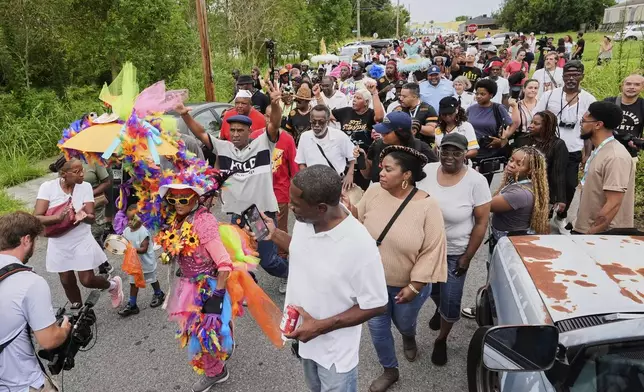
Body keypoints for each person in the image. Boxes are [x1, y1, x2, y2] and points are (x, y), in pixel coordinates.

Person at [267, 165, 389, 392]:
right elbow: (302, 249)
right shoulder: (307, 220)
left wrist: (321, 326)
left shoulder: (360, 247)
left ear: (321, 208)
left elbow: (377, 304)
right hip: (306, 341)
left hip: (335, 355)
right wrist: (274, 234)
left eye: (295, 205)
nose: (290, 207)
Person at [342, 146, 446, 391]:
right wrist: (349, 209)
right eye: (382, 168)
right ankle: (390, 370)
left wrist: (415, 285)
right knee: (378, 331)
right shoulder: (375, 191)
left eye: (389, 169)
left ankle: (408, 335)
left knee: (404, 323)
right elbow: (360, 224)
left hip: (407, 286)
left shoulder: (428, 206)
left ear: (406, 175)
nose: (382, 173)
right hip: (372, 283)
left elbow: (433, 249)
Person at [178, 81, 289, 279]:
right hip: (237, 214)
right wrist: (185, 114)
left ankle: (293, 274)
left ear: (249, 132)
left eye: (240, 130)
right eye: (233, 130)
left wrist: (276, 105)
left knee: (268, 260)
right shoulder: (224, 148)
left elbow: (274, 125)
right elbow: (202, 133)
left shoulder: (263, 144)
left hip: (260, 213)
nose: (236, 134)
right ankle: (248, 285)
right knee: (239, 255)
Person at [416, 133, 491, 366]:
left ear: (465, 154)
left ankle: (442, 339)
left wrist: (467, 257)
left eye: (456, 152)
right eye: (445, 151)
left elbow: (481, 222)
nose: (449, 156)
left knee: (451, 299)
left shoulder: (476, 182)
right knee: (432, 291)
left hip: (455, 252)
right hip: (427, 249)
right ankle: (438, 310)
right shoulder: (427, 170)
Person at [34, 158, 124, 309]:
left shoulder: (86, 187)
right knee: (67, 281)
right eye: (77, 172)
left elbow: (91, 217)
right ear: (63, 174)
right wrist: (59, 218)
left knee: (87, 280)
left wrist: (84, 217)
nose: (82, 174)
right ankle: (80, 314)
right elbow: (37, 217)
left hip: (81, 238)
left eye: (82, 170)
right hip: (58, 241)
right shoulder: (47, 187)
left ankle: (113, 285)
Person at [0, 212, 72, 392]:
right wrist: (64, 329)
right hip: (22, 384)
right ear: (26, 240)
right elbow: (49, 340)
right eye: (35, 240)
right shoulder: (29, 282)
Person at [534, 60, 596, 234]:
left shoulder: (589, 99)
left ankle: (561, 216)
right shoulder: (549, 96)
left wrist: (587, 154)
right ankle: (542, 216)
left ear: (582, 76)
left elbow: (590, 129)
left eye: (575, 75)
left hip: (573, 149)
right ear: (563, 76)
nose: (571, 78)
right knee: (545, 182)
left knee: (569, 185)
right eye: (568, 75)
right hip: (548, 148)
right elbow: (537, 118)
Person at [250, 105, 299, 293]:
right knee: (256, 235)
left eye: (274, 117)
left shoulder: (286, 139)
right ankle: (255, 271)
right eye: (267, 116)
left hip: (279, 196)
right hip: (257, 196)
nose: (271, 120)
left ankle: (287, 273)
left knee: (279, 233)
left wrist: (294, 197)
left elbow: (294, 171)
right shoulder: (254, 137)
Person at [573, 101, 636, 234]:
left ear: (598, 124)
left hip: (603, 235)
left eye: (584, 121)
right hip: (589, 231)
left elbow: (613, 203)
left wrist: (591, 233)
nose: (581, 125)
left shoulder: (615, 157)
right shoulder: (600, 150)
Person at [327, 82, 385, 189]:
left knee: (360, 191)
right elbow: (325, 114)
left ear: (366, 102)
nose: (354, 100)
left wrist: (374, 94)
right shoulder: (346, 111)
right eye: (354, 97)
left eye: (359, 98)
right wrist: (317, 97)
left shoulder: (370, 114)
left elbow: (380, 117)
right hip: (344, 160)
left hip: (363, 159)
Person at [490, 146, 550, 243]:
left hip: (508, 242)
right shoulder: (527, 184)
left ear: (530, 170)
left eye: (519, 164)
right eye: (511, 160)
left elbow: (485, 205)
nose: (511, 165)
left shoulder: (519, 194)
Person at [359, 112, 438, 184]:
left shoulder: (421, 148)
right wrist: (361, 158)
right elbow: (367, 175)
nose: (382, 134)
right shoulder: (377, 145)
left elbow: (436, 173)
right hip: (380, 195)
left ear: (401, 133)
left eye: (386, 132)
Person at [296, 105, 356, 192]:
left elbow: (353, 156)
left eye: (321, 122)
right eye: (313, 122)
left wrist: (350, 175)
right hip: (314, 186)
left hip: (336, 185)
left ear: (327, 122)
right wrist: (309, 181)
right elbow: (301, 163)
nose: (316, 125)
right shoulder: (305, 137)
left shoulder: (340, 136)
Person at [117, 205, 164, 316]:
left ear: (141, 218)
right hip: (134, 264)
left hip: (146, 263)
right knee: (133, 283)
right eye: (128, 219)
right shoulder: (127, 231)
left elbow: (143, 249)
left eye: (133, 219)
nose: (129, 222)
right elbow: (122, 241)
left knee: (152, 279)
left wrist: (131, 250)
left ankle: (159, 293)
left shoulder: (143, 232)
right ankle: (132, 304)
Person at [467, 79, 513, 185]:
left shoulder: (498, 108)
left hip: (490, 152)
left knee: (484, 184)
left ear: (491, 95)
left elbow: (511, 125)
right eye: (477, 93)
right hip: (472, 150)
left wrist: (502, 140)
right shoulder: (470, 109)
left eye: (482, 94)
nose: (478, 96)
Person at [527, 111, 568, 215]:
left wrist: (560, 198)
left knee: (539, 223)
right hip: (523, 189)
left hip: (543, 191)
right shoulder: (525, 139)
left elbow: (558, 173)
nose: (531, 126)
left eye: (536, 124)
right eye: (531, 122)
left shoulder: (558, 145)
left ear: (547, 126)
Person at [604, 74, 644, 158]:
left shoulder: (642, 105)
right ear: (622, 86)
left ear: (642, 87)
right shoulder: (608, 102)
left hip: (629, 155)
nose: (632, 87)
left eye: (637, 84)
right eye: (628, 84)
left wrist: (639, 142)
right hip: (605, 152)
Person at [494, 79, 540, 149]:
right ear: (524, 89)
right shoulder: (516, 105)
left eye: (535, 88)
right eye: (530, 88)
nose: (533, 90)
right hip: (521, 138)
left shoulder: (541, 104)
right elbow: (513, 124)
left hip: (538, 138)